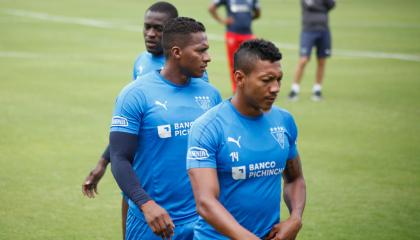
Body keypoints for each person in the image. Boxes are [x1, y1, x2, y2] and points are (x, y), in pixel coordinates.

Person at [109, 17, 222, 240]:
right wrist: (145, 204)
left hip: (202, 222)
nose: (207, 58)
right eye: (201, 51)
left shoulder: (210, 95)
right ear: (177, 52)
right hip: (151, 222)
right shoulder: (135, 95)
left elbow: (219, 157)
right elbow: (119, 157)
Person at [187, 39, 306, 239]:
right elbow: (206, 203)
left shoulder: (284, 121)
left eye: (278, 79)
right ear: (240, 78)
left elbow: (295, 178)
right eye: (267, 80)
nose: (276, 88)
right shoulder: (208, 127)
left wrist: (295, 218)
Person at [288, 0, 336, 101]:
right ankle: (294, 90)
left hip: (324, 30)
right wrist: (323, 8)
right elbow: (310, 5)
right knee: (303, 60)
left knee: (322, 61)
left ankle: (317, 90)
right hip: (308, 31)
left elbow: (332, 5)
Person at [208, 0, 260, 93]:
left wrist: (249, 18)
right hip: (233, 34)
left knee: (252, 62)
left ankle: (251, 87)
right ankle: (236, 89)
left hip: (248, 34)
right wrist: (222, 20)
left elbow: (258, 12)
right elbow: (211, 8)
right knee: (233, 63)